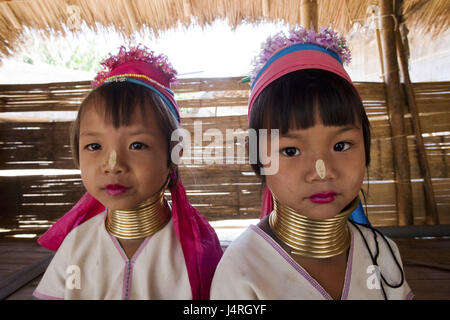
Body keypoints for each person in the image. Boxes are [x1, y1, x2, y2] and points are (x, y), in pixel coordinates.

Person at [210, 27, 413, 300]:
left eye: (340, 146)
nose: (323, 171)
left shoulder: (382, 252)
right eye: (291, 150)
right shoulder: (242, 269)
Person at [33, 45, 223, 300]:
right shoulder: (77, 245)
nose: (113, 164)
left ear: (174, 154)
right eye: (94, 146)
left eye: (137, 145)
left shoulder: (198, 249)